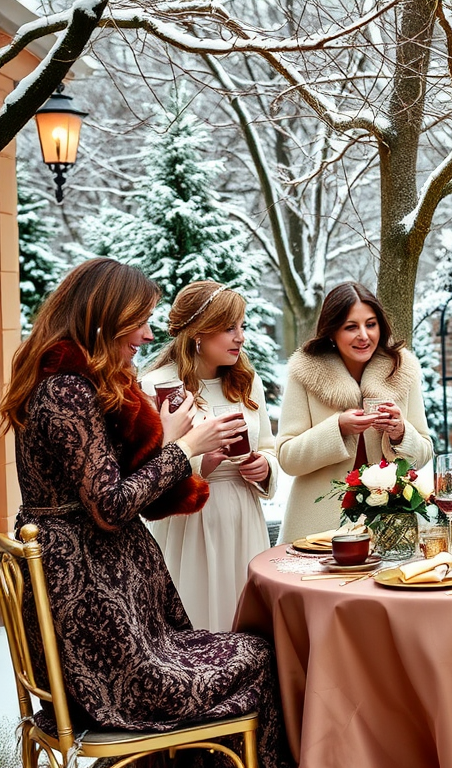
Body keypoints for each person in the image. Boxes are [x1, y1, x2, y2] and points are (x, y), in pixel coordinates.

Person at [0, 258, 293, 767]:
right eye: (138, 320)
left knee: (252, 650)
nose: (147, 332)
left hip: (112, 615)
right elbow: (111, 506)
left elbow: (111, 491)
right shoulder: (66, 390)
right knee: (261, 657)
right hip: (104, 636)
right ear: (103, 317)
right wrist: (182, 445)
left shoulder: (71, 382)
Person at [140, 281, 278, 632]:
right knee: (196, 620)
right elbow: (145, 470)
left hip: (244, 517)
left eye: (242, 326)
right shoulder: (157, 386)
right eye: (229, 328)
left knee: (246, 623)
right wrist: (202, 461)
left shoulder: (248, 381)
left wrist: (264, 468)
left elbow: (269, 447)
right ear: (198, 333)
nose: (241, 337)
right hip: (189, 522)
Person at [276, 281, 433, 543]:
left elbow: (424, 453)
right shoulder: (305, 372)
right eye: (351, 327)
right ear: (331, 331)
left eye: (371, 324)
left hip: (390, 525)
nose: (364, 335)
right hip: (317, 529)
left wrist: (401, 432)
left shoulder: (402, 369)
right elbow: (287, 458)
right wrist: (337, 428)